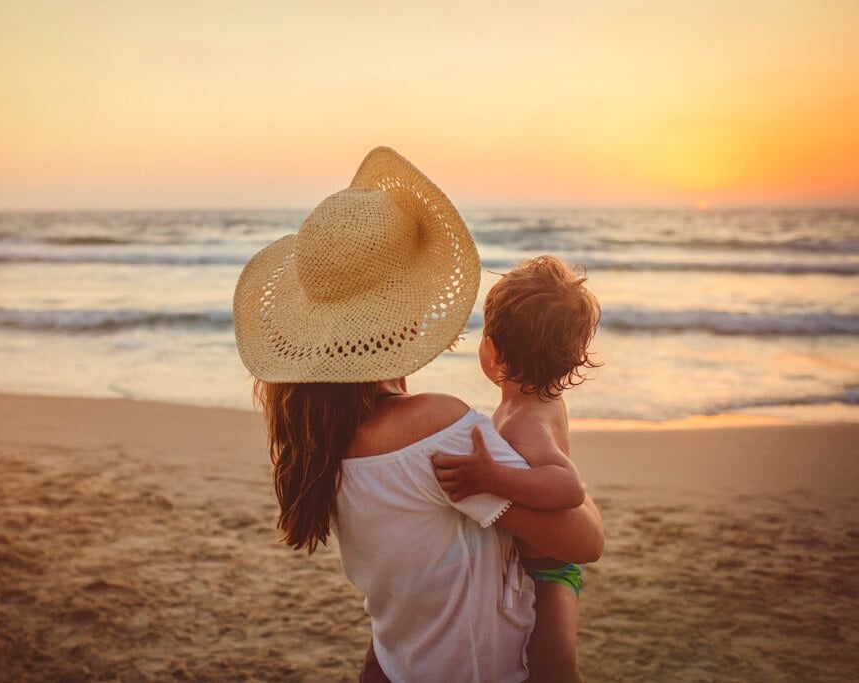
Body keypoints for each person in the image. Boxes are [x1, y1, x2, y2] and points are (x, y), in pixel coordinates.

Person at [233, 147, 604, 682]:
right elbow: (583, 542)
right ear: (406, 319)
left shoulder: (318, 437)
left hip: (398, 660)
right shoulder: (436, 428)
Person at [432, 255, 602, 683]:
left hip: (549, 572)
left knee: (556, 670)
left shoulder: (526, 420)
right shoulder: (533, 402)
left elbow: (567, 487)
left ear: (492, 349)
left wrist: (493, 478)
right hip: (534, 564)